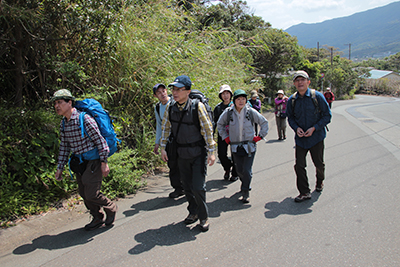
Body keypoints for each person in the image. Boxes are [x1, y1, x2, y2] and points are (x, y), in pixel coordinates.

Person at [52, 89, 118, 230]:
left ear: (69, 102)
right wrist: (60, 167)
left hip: (93, 160)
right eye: (55, 103)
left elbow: (101, 142)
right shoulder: (64, 124)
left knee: (91, 193)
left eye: (60, 102)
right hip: (79, 162)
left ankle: (111, 207)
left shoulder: (84, 119)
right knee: (83, 193)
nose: (57, 106)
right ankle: (97, 217)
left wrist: (104, 162)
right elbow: (64, 147)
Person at [160, 75, 216, 232]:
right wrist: (163, 147)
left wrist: (211, 151)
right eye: (173, 89)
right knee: (187, 186)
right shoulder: (170, 108)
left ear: (188, 91)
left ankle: (203, 216)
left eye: (178, 89)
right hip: (180, 153)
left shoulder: (197, 106)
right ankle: (193, 212)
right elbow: (165, 128)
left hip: (198, 153)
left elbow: (207, 129)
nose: (174, 92)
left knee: (198, 187)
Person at [286, 71, 332, 202]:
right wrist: (296, 128)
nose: (300, 82)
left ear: (308, 82)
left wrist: (314, 128)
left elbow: (327, 116)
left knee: (318, 163)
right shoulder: (292, 100)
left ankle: (319, 181)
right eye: (297, 80)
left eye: (303, 79)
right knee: (299, 165)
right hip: (300, 139)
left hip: (316, 137)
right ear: (294, 83)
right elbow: (290, 118)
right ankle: (304, 192)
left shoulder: (317, 96)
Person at [217, 89, 269, 203]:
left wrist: (259, 136)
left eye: (243, 99)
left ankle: (245, 191)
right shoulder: (228, 112)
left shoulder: (251, 112)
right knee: (239, 170)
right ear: (234, 100)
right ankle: (245, 182)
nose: (241, 101)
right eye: (239, 99)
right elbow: (220, 125)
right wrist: (225, 137)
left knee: (246, 170)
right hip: (235, 147)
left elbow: (264, 123)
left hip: (250, 146)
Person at [153, 83, 184, 199]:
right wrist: (158, 142)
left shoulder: (176, 102)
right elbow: (159, 125)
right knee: (172, 164)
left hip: (181, 137)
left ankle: (187, 187)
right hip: (169, 139)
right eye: (159, 93)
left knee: (183, 162)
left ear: (166, 91)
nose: (162, 94)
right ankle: (178, 188)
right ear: (156, 96)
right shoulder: (158, 107)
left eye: (163, 91)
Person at [213, 84, 238, 182]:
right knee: (221, 154)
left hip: (234, 134)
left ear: (231, 94)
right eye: (223, 94)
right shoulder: (218, 108)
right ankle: (227, 168)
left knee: (235, 154)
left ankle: (235, 174)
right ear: (220, 96)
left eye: (227, 93)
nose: (225, 95)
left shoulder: (236, 105)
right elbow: (215, 122)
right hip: (222, 134)